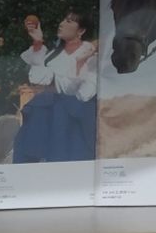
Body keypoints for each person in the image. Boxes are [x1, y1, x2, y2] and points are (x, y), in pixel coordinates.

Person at [14, 10, 98, 163]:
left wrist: (78, 64)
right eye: (63, 19)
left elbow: (84, 94)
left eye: (69, 21)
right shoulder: (53, 54)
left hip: (76, 118)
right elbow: (37, 76)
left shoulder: (91, 55)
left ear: (81, 31)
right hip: (48, 110)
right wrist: (38, 42)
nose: (61, 24)